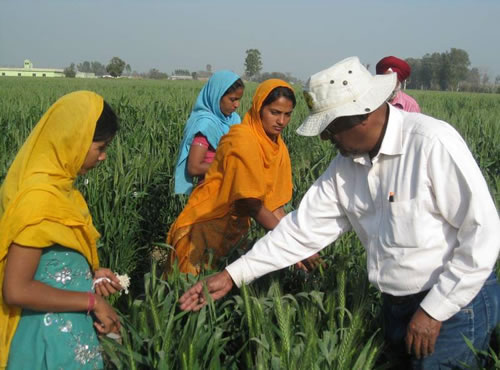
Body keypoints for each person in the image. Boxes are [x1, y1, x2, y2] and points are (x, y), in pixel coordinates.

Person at [179, 57, 500, 369]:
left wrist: (434, 310)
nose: (326, 138)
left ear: (362, 115)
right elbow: (297, 232)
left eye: (330, 128)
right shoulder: (345, 168)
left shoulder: (431, 143)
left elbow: (483, 233)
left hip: (455, 304)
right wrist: (232, 275)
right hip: (396, 306)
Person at [0, 91, 124, 369]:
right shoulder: (38, 201)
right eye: (100, 147)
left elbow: (50, 264)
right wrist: (92, 301)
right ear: (74, 142)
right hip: (45, 346)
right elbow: (17, 289)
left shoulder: (63, 194)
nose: (103, 157)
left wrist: (89, 277)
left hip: (66, 340)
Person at [166, 79, 297, 275]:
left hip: (234, 233)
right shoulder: (242, 139)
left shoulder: (278, 148)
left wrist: (298, 243)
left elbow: (274, 205)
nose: (281, 121)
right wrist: (293, 245)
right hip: (204, 230)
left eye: (287, 115)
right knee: (189, 295)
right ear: (259, 108)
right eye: (275, 112)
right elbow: (251, 204)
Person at [174, 70, 244, 195]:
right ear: (217, 95)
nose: (237, 104)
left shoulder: (234, 120)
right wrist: (230, 166)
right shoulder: (206, 125)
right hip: (210, 193)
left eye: (239, 99)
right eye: (232, 99)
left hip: (233, 191)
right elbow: (194, 167)